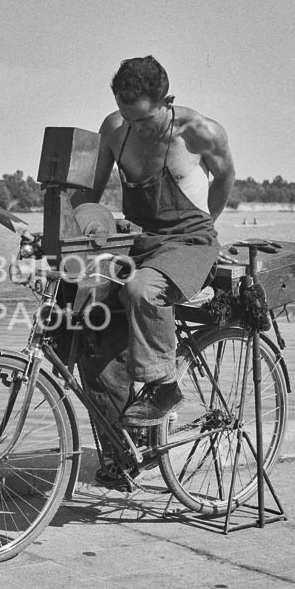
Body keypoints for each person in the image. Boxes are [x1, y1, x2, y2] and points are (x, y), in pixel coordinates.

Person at [69, 55, 235, 482]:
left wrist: (205, 226)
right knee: (88, 323)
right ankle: (123, 453)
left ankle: (164, 387)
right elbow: (90, 192)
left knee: (142, 289)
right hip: (141, 238)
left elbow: (225, 180)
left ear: (168, 102)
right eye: (128, 119)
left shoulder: (200, 132)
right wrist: (85, 221)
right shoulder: (114, 129)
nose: (135, 128)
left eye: (144, 121)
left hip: (191, 240)